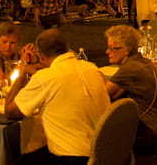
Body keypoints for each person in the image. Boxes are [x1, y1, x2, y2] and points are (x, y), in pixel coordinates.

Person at [6, 28, 110, 164]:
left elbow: (10, 111)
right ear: (67, 47)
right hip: (106, 153)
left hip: (71, 157)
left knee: (18, 158)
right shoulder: (92, 68)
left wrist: (22, 70)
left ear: (40, 55)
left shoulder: (45, 78)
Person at [104, 25, 157, 156]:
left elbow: (101, 95)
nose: (107, 52)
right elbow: (117, 91)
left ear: (126, 49)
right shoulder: (145, 62)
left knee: (97, 135)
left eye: (112, 48)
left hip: (147, 133)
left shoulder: (129, 69)